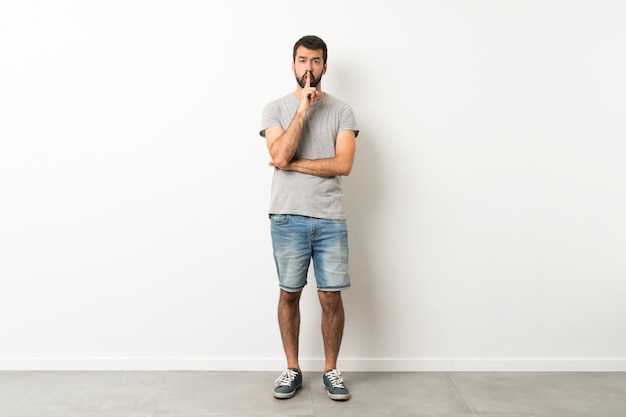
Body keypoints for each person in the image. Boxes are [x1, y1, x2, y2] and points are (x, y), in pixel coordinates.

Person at [259, 35, 359, 401]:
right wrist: (302, 109)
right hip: (287, 217)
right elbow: (279, 150)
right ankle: (293, 368)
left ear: (324, 67)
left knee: (330, 296)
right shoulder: (275, 109)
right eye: (302, 60)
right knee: (289, 293)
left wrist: (293, 164)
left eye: (315, 61)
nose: (308, 68)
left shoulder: (342, 111)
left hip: (330, 217)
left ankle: (331, 369)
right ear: (293, 64)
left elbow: (343, 164)